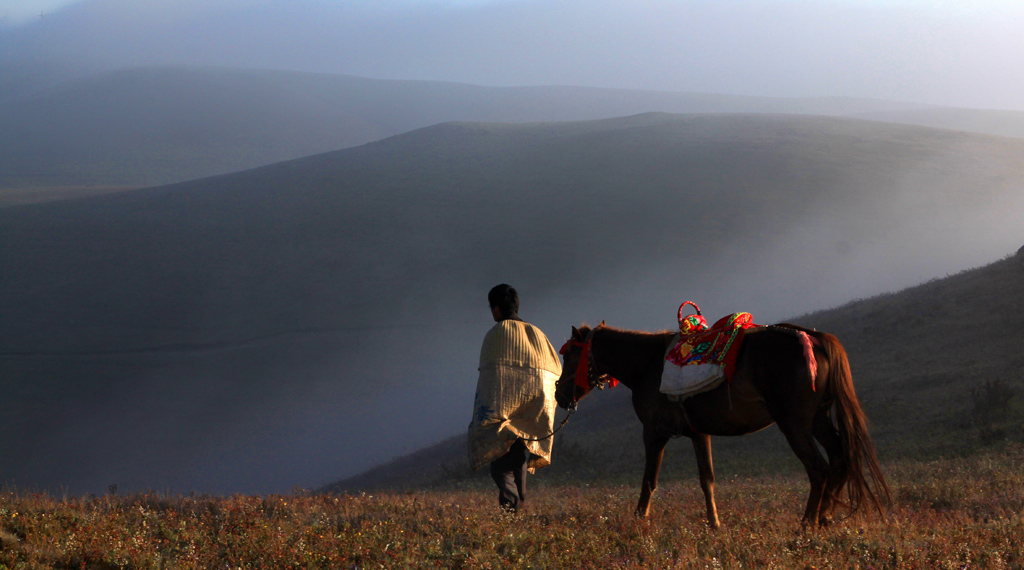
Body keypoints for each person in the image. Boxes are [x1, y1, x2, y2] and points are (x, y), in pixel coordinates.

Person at [468, 284, 562, 513]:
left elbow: (491, 378)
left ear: (496, 309)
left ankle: (511, 507)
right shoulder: (538, 333)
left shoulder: (496, 334)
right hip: (533, 411)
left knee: (500, 467)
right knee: (518, 453)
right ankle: (520, 497)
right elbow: (554, 371)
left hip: (503, 414)